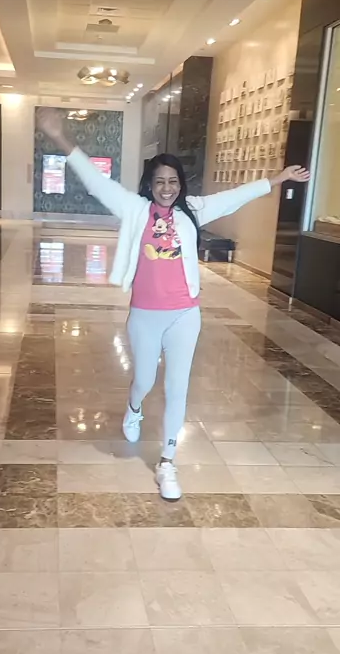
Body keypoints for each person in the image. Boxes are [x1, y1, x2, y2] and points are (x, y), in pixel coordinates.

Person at [37, 107, 309, 500]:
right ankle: (134, 408)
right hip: (145, 315)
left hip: (185, 313)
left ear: (180, 184)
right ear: (150, 185)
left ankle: (167, 462)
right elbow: (96, 181)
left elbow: (234, 198)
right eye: (160, 181)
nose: (167, 188)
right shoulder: (134, 209)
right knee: (144, 380)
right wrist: (59, 136)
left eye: (173, 181)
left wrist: (278, 179)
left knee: (177, 387)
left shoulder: (192, 211)